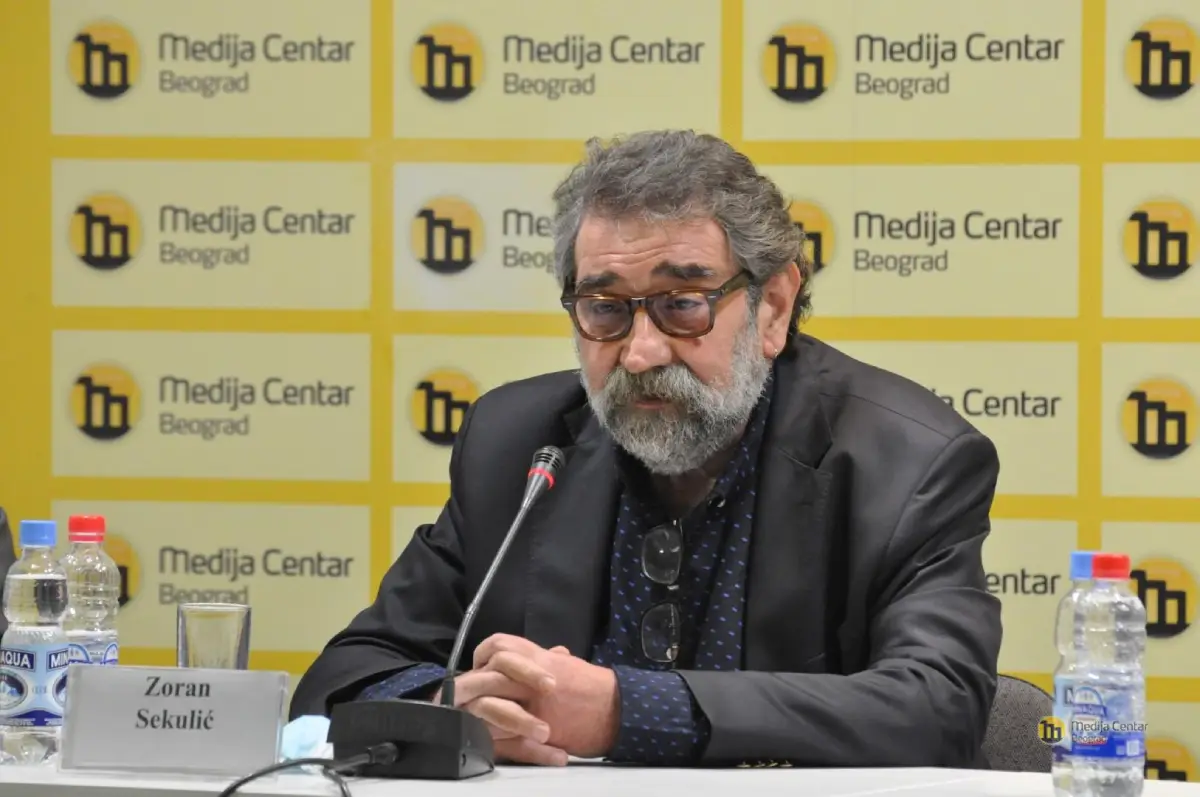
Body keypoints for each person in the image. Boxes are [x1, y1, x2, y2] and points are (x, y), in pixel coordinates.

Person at [291, 130, 1003, 769]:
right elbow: (341, 679)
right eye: (605, 309)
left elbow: (939, 707)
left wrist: (628, 711)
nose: (639, 353)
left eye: (682, 303)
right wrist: (451, 706)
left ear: (774, 306)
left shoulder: (907, 462)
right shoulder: (519, 444)